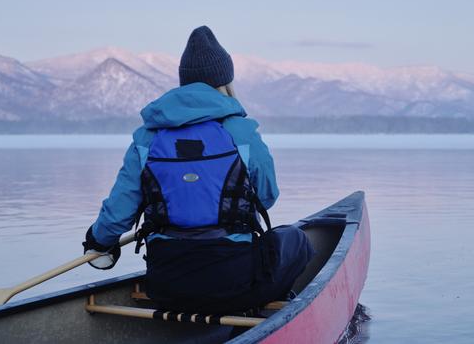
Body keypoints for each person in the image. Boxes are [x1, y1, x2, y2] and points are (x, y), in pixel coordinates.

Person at [82, 26, 315, 314]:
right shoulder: (241, 132)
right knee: (297, 240)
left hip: (165, 287)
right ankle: (273, 310)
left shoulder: (146, 138)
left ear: (184, 82)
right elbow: (267, 196)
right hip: (235, 285)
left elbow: (118, 214)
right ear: (225, 82)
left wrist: (98, 241)